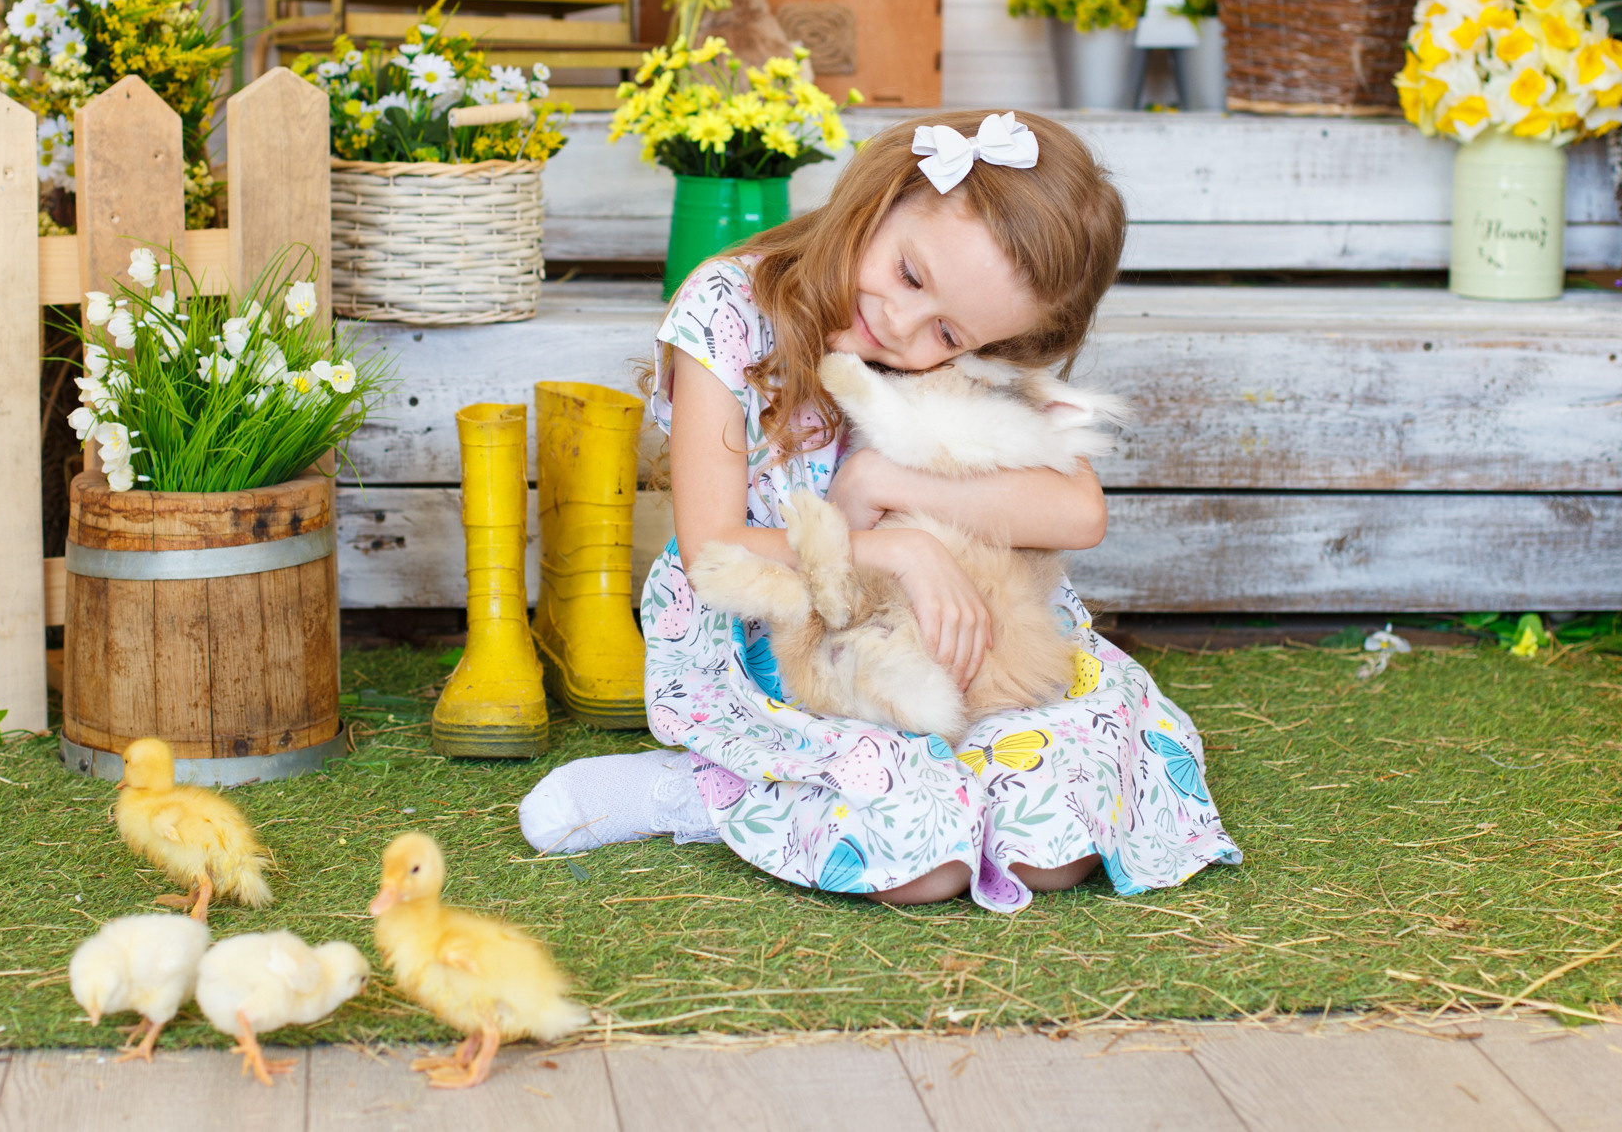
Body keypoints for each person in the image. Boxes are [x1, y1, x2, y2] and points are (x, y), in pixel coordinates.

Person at [518, 110, 1240, 911]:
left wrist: (883, 487)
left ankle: (935, 780)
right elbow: (713, 545)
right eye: (909, 275)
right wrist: (897, 550)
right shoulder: (726, 311)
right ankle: (700, 792)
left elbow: (1078, 513)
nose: (901, 325)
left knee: (1057, 843)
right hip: (791, 641)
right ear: (883, 193)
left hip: (952, 647)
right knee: (921, 869)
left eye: (946, 330)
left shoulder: (974, 339)